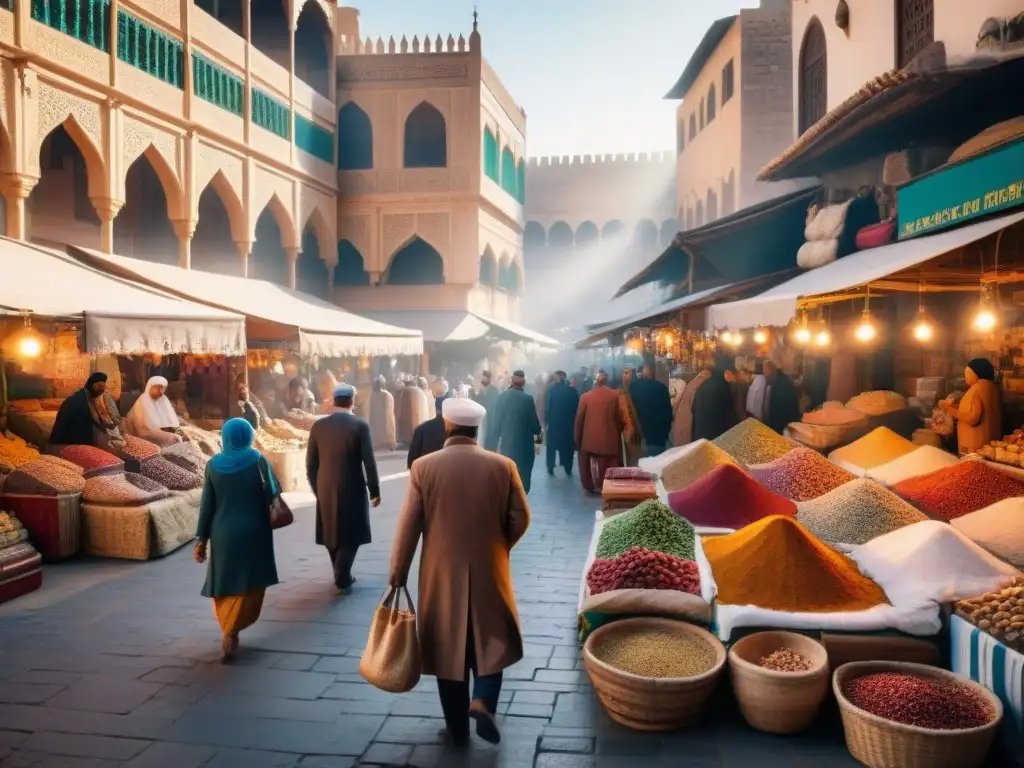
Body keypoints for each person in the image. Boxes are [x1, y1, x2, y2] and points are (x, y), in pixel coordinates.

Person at [388, 398, 530, 748]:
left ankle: (456, 728)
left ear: (448, 427)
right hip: (490, 567)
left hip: (440, 571)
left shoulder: (424, 467)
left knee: (448, 645)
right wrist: (499, 545)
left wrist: (398, 573)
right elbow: (520, 518)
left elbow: (409, 525)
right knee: (492, 637)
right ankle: (483, 700)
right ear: (476, 429)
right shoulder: (503, 466)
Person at [193, 418, 279, 662]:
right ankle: (235, 628)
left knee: (225, 581)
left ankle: (228, 628)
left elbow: (206, 506)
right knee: (251, 581)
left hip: (223, 534)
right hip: (255, 530)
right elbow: (273, 492)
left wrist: (201, 541)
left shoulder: (213, 465)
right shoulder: (258, 460)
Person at [305, 384, 381, 594]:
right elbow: (369, 462)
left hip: (325, 485)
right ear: (351, 401)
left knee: (330, 527)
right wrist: (374, 490)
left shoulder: (318, 426)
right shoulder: (359, 425)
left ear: (333, 400)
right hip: (352, 484)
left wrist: (317, 488)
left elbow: (311, 464)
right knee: (351, 529)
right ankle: (342, 574)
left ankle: (341, 570)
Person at [486, 371, 543, 494]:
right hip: (525, 447)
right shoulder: (527, 399)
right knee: (524, 476)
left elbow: (495, 426)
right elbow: (535, 426)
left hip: (507, 445)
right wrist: (539, 439)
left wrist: (492, 448)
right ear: (524, 384)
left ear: (511, 382)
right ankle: (521, 497)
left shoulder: (501, 398)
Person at [575, 371, 624, 493]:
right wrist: (619, 431)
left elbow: (579, 420)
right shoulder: (615, 395)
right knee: (610, 463)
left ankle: (589, 484)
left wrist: (577, 438)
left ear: (595, 382)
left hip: (589, 440)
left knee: (586, 463)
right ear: (606, 381)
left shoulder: (585, 397)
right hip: (610, 439)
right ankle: (608, 484)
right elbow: (620, 417)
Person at [942, 358, 1002, 455]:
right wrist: (955, 406)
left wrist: (951, 411)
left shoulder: (977, 389)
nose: (965, 375)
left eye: (968, 372)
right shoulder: (992, 387)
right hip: (990, 443)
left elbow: (973, 418)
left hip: (974, 446)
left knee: (973, 467)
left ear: (977, 373)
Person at [50, 372, 125, 449]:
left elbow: (110, 421)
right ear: (91, 385)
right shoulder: (74, 402)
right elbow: (61, 429)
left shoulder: (100, 398)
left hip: (93, 444)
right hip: (75, 445)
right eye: (100, 386)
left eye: (103, 386)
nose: (102, 390)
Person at [122, 376, 184, 447]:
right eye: (157, 387)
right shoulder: (143, 401)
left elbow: (170, 417)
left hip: (158, 435)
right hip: (139, 440)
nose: (160, 391)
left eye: (162, 388)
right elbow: (143, 432)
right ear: (149, 387)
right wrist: (170, 436)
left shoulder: (162, 399)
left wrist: (185, 425)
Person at [629, 364, 674, 456]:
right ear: (653, 375)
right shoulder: (662, 388)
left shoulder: (633, 388)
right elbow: (668, 415)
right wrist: (665, 433)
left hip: (638, 439)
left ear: (642, 374)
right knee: (656, 467)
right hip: (657, 439)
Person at [545, 370, 579, 476]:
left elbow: (547, 407)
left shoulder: (551, 390)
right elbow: (577, 408)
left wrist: (546, 421)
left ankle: (550, 466)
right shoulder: (572, 391)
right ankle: (567, 466)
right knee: (568, 447)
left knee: (551, 447)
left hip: (554, 423)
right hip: (568, 424)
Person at [692, 365, 737, 441]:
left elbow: (693, 407)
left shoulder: (702, 385)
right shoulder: (724, 386)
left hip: (700, 429)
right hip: (717, 430)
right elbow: (730, 410)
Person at [672, 366, 711, 446]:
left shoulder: (691, 384)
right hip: (689, 435)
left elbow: (675, 407)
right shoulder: (704, 385)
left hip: (680, 431)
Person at [763, 360, 800, 435]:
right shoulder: (780, 380)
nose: (765, 376)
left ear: (771, 371)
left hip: (786, 427)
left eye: (765, 373)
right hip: (788, 425)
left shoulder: (779, 386)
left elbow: (777, 414)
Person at [616, 368, 643, 467]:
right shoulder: (619, 393)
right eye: (625, 373)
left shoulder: (636, 390)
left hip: (637, 431)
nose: (627, 375)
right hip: (629, 433)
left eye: (630, 373)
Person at [407, 404, 446, 468]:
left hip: (426, 472)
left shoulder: (421, 428)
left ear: (436, 410)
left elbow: (411, 461)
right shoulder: (458, 430)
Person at [368, 376, 397, 451]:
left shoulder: (372, 395)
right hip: (386, 420)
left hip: (376, 421)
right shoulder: (387, 394)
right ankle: (390, 443)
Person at [395, 379, 425, 447]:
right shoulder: (420, 391)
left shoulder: (406, 391)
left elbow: (402, 405)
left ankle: (408, 441)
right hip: (420, 416)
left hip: (408, 416)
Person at [473, 370, 500, 437]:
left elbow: (494, 404)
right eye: (483, 377)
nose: (483, 379)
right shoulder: (477, 389)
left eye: (486, 378)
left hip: (489, 418)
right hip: (479, 418)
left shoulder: (494, 390)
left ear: (489, 379)